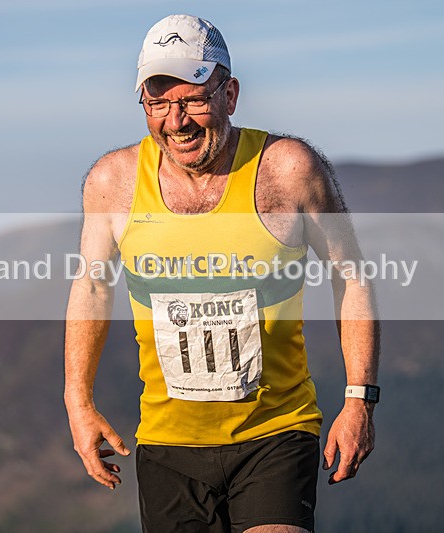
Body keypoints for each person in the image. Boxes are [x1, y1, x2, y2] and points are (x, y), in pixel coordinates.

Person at [64, 14, 380, 533]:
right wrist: (78, 402)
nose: (176, 121)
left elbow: (351, 277)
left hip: (276, 431)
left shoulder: (288, 169)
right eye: (157, 103)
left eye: (193, 99)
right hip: (167, 443)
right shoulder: (112, 182)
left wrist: (359, 398)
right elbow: (93, 286)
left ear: (229, 95)